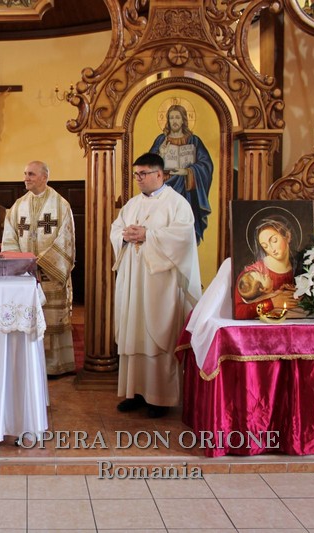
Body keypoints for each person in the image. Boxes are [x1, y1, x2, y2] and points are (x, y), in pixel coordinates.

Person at [109, 152, 201, 418]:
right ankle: (134, 392)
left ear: (160, 174)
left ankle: (160, 398)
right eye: (136, 174)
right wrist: (124, 236)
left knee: (157, 336)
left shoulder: (177, 204)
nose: (138, 179)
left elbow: (183, 238)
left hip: (160, 282)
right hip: (133, 279)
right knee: (133, 331)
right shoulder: (132, 204)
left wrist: (148, 235)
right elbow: (116, 229)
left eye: (143, 174)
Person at [2, 161, 76, 376]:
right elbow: (9, 237)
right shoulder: (18, 206)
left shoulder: (60, 205)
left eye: (31, 174)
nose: (26, 178)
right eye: (25, 173)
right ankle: (30, 364)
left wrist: (42, 262)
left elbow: (67, 238)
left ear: (44, 177)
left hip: (51, 272)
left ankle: (55, 365)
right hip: (26, 274)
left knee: (52, 317)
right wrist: (21, 262)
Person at [149, 104, 214, 244]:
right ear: (167, 120)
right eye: (171, 117)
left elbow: (206, 165)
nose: (174, 121)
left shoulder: (194, 140)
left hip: (186, 191)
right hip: (164, 189)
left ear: (183, 119)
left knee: (183, 226)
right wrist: (161, 153)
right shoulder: (161, 140)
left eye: (177, 117)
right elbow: (148, 166)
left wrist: (187, 171)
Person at [233, 216, 302, 319]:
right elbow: (238, 311)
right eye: (265, 246)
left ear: (287, 236)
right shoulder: (252, 274)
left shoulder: (302, 266)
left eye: (274, 240)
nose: (271, 249)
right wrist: (272, 303)